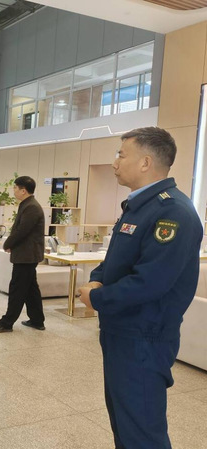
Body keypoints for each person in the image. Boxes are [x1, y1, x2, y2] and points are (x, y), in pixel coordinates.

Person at [77, 127, 203, 449]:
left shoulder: (172, 212)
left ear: (146, 162)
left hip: (144, 337)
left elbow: (151, 281)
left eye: (121, 155)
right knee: (124, 425)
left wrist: (97, 297)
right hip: (122, 331)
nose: (115, 163)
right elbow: (116, 259)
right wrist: (97, 278)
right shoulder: (139, 206)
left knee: (142, 433)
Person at [0, 175, 45, 333]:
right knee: (31, 289)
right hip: (26, 254)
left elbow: (22, 231)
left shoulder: (31, 207)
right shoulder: (27, 204)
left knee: (17, 288)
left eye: (15, 188)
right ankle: (37, 320)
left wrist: (8, 243)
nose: (13, 190)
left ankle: (7, 322)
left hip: (27, 256)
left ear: (23, 190)